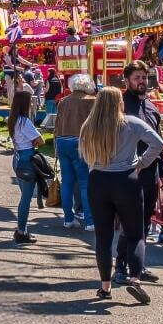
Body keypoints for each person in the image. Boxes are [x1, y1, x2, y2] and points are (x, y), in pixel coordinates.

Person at [81, 87, 163, 304]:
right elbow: (158, 144)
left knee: (103, 237)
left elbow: (83, 154)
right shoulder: (131, 122)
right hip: (127, 178)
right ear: (119, 102)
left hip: (98, 180)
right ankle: (135, 279)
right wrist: (142, 163)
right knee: (135, 233)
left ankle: (105, 287)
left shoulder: (89, 126)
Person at [119, 62, 163, 283]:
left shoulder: (152, 107)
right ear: (127, 80)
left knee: (145, 220)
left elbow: (159, 140)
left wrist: (162, 173)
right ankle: (120, 266)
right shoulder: (120, 106)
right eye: (137, 77)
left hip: (150, 172)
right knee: (129, 221)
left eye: (144, 77)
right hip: (128, 170)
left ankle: (138, 265)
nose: (142, 82)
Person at [53, 74, 98, 230]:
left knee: (67, 181)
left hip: (62, 141)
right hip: (80, 142)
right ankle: (90, 221)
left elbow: (57, 125)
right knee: (85, 182)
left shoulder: (63, 101)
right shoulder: (92, 101)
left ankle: (68, 218)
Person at [8, 90, 45, 244]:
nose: (31, 104)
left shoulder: (13, 119)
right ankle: (22, 230)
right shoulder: (25, 121)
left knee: (24, 195)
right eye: (30, 101)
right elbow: (40, 140)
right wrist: (33, 142)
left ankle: (22, 228)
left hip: (17, 157)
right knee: (26, 198)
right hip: (27, 158)